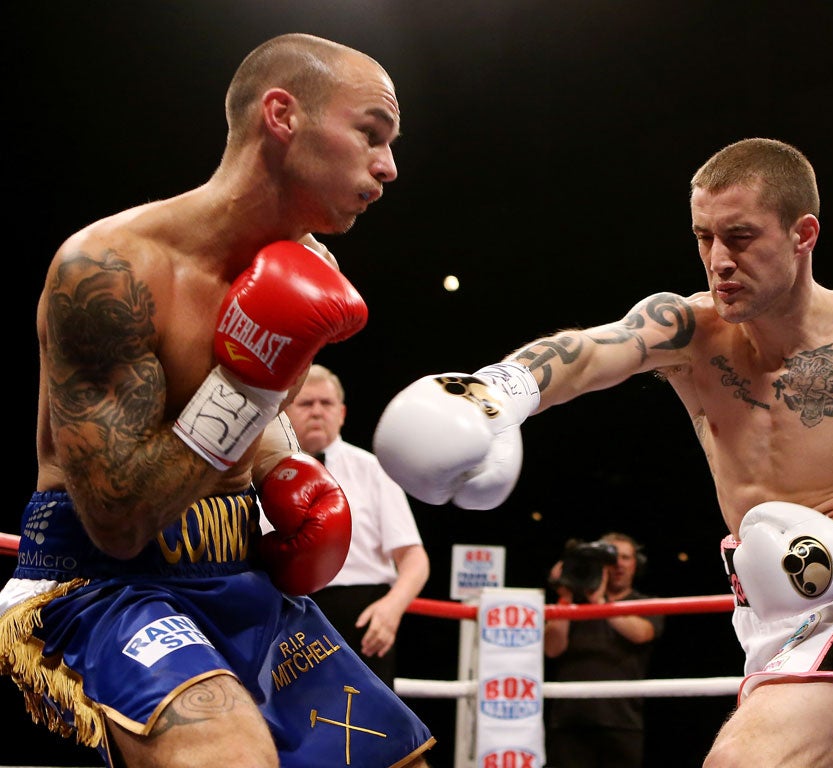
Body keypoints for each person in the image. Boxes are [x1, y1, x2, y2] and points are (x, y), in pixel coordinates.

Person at [372, 137, 833, 767]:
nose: (719, 260)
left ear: (803, 233)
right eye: (704, 238)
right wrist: (494, 391)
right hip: (764, 608)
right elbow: (589, 353)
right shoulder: (692, 333)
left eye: (742, 236)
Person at [0, 33, 436, 768]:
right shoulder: (112, 271)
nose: (388, 166)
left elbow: (246, 424)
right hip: (101, 583)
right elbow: (117, 520)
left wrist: (284, 471)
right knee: (225, 752)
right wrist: (251, 381)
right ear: (282, 115)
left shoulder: (306, 265)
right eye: (371, 134)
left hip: (233, 569)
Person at [270, 363, 430, 689]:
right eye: (306, 403)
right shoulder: (264, 474)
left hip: (363, 620)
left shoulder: (373, 469)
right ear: (285, 412)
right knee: (292, 733)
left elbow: (414, 558)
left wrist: (392, 608)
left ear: (341, 413)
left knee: (366, 734)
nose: (317, 411)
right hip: (285, 618)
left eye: (325, 404)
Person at [544, 532, 664, 768]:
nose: (618, 564)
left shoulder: (645, 602)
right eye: (611, 557)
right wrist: (565, 596)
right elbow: (552, 649)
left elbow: (641, 634)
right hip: (569, 719)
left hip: (621, 721)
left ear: (635, 564)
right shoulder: (573, 604)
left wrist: (599, 602)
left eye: (625, 557)